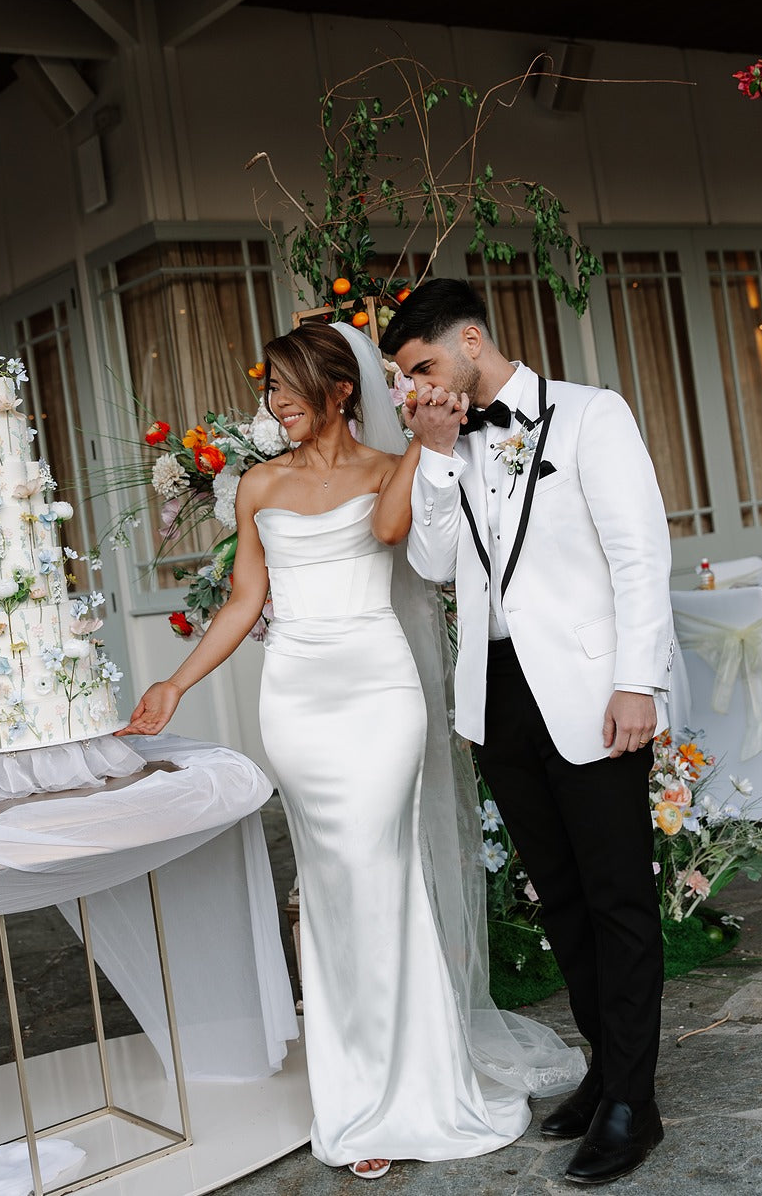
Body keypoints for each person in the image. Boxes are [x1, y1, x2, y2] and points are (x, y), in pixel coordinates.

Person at [119, 320, 583, 1180]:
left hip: (379, 694)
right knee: (334, 893)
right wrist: (175, 685)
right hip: (296, 704)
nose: (276, 404)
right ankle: (356, 1099)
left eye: (291, 388)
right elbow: (241, 602)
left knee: (379, 879)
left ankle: (413, 1091)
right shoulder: (256, 485)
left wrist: (422, 443)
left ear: (341, 390)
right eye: (270, 391)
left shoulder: (389, 467)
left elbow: (393, 538)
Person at [380, 278, 674, 1187]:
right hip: (498, 694)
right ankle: (605, 1068)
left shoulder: (591, 416)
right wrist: (430, 455)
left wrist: (638, 681)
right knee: (561, 896)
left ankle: (634, 1101)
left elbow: (639, 552)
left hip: (592, 688)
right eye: (402, 377)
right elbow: (430, 564)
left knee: (617, 893)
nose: (416, 387)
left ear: (472, 339)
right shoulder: (448, 440)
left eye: (424, 365)